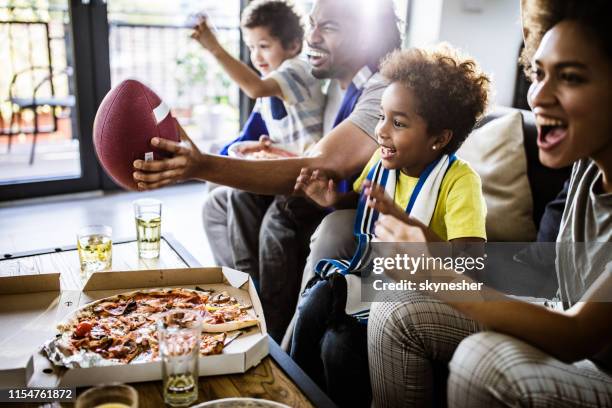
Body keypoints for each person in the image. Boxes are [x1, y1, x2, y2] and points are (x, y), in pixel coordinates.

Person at [367, 1, 612, 407]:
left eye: (569, 77)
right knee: (393, 307)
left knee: (482, 362)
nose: (539, 96)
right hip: (558, 311)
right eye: (538, 73)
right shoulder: (586, 169)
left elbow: (578, 336)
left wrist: (432, 273)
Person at [133, 0, 402, 342]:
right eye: (312, 24)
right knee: (221, 202)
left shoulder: (380, 89)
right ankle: (244, 299)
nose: (312, 37)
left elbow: (324, 165)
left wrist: (201, 165)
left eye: (328, 27)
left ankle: (272, 327)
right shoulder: (335, 81)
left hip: (341, 204)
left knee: (280, 216)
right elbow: (313, 149)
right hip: (328, 190)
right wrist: (273, 154)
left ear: (367, 36)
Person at [290, 45, 490, 407]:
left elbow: (470, 265)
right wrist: (331, 200)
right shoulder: (383, 162)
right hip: (373, 281)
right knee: (314, 300)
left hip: (425, 298)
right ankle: (293, 392)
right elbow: (360, 203)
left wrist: (403, 221)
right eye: (382, 116)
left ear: (439, 139)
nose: (381, 131)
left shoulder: (460, 181)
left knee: (339, 346)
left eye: (398, 123)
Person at [191, 0, 325, 299]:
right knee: (224, 198)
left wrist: (214, 48)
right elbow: (281, 133)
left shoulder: (297, 69)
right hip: (284, 171)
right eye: (251, 47)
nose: (257, 56)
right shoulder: (275, 80)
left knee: (239, 194)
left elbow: (255, 88)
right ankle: (241, 285)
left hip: (304, 180)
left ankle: (248, 290)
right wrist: (265, 147)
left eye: (264, 46)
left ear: (292, 44)